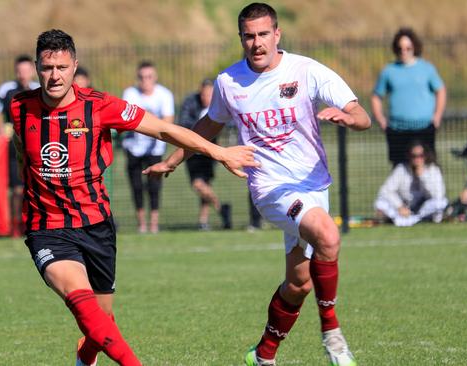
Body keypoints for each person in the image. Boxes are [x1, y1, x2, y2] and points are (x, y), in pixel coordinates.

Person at [10, 29, 257, 366]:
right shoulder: (19, 106)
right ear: (37, 68)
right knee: (82, 304)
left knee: (101, 324)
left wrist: (219, 152)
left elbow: (165, 130)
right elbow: (21, 150)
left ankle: (85, 359)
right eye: (47, 68)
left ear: (75, 66)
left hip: (96, 226)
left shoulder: (99, 106)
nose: (54, 76)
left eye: (62, 68)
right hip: (48, 228)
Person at [144, 3, 371, 365]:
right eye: (249, 36)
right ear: (241, 39)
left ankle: (263, 354)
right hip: (270, 189)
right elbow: (207, 127)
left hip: (314, 185)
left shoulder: (307, 71)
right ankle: (333, 334)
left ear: (277, 34)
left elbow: (362, 115)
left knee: (299, 283)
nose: (257, 43)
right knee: (328, 235)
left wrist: (348, 117)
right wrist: (171, 161)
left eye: (263, 34)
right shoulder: (229, 82)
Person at [371, 27, 447, 166]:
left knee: (428, 169)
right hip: (397, 130)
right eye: (400, 48)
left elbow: (440, 90)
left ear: (414, 47)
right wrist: (381, 119)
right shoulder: (389, 71)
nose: (404, 51)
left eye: (408, 48)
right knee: (400, 172)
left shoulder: (427, 69)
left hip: (424, 128)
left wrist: (437, 117)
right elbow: (376, 96)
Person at [121, 61, 175, 233]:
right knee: (136, 185)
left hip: (155, 148)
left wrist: (150, 129)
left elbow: (168, 121)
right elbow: (126, 120)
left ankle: (154, 223)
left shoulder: (164, 94)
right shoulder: (130, 93)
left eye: (149, 77)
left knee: (154, 186)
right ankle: (141, 224)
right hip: (133, 147)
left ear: (155, 77)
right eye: (142, 77)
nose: (146, 81)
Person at [0, 54, 40, 237]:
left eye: (26, 70)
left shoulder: (40, 89)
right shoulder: (7, 89)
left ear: (33, 71)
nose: (23, 74)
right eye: (20, 71)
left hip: (35, 145)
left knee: (36, 186)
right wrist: (2, 128)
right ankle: (16, 226)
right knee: (17, 188)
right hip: (14, 147)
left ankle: (34, 223)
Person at [179, 78, 232, 230]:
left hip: (209, 152)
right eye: (203, 95)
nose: (205, 98)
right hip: (192, 152)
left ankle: (203, 220)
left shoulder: (217, 106)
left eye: (209, 95)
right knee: (198, 184)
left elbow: (227, 123)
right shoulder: (191, 103)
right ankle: (221, 207)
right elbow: (184, 122)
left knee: (205, 184)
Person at [374, 141, 447, 226]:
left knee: (441, 203)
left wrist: (422, 175)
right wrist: (400, 206)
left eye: (421, 156)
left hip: (424, 208)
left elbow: (438, 195)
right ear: (409, 156)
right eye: (414, 156)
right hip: (405, 208)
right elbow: (385, 190)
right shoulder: (401, 169)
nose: (417, 159)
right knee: (380, 202)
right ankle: (405, 219)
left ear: (425, 156)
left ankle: (419, 219)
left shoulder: (433, 169)